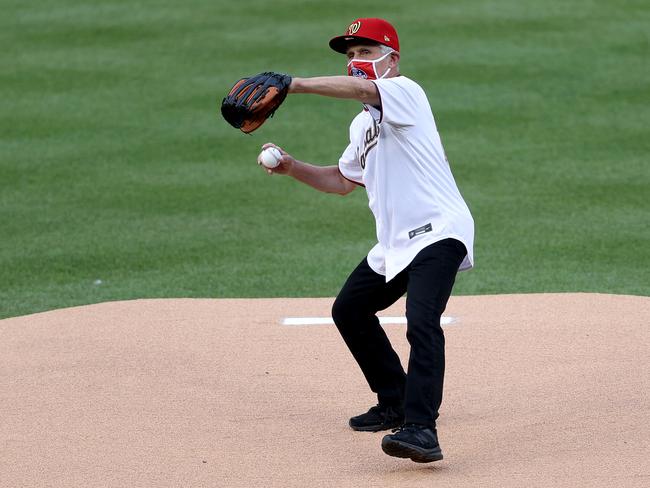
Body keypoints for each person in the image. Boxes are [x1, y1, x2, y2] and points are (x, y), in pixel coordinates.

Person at [258, 17, 474, 463]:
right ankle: (394, 399)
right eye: (352, 55)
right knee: (350, 310)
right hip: (395, 243)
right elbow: (341, 180)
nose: (357, 62)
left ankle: (421, 429)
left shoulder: (406, 91)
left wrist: (292, 85)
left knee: (421, 321)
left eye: (367, 52)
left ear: (392, 59)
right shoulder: (361, 127)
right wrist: (292, 167)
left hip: (439, 230)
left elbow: (361, 90)